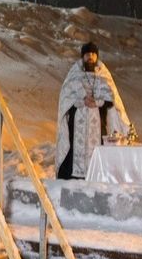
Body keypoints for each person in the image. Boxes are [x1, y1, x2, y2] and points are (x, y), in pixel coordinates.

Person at [56, 42, 132, 179]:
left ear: (96, 56)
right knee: (74, 148)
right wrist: (81, 101)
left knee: (99, 148)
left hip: (97, 122)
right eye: (87, 54)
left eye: (93, 54)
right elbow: (66, 97)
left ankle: (96, 174)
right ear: (82, 57)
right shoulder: (74, 75)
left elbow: (112, 99)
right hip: (78, 120)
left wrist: (99, 102)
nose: (90, 57)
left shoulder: (103, 76)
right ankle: (74, 176)